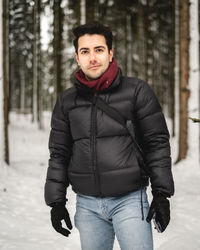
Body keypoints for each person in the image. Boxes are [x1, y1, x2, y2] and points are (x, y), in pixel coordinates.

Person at [44, 21, 174, 250]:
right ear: (77, 57)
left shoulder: (136, 91)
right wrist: (56, 202)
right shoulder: (67, 101)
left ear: (110, 53)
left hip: (130, 201)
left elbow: (157, 144)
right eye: (85, 51)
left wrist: (161, 193)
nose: (92, 58)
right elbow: (59, 153)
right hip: (87, 206)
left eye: (99, 50)